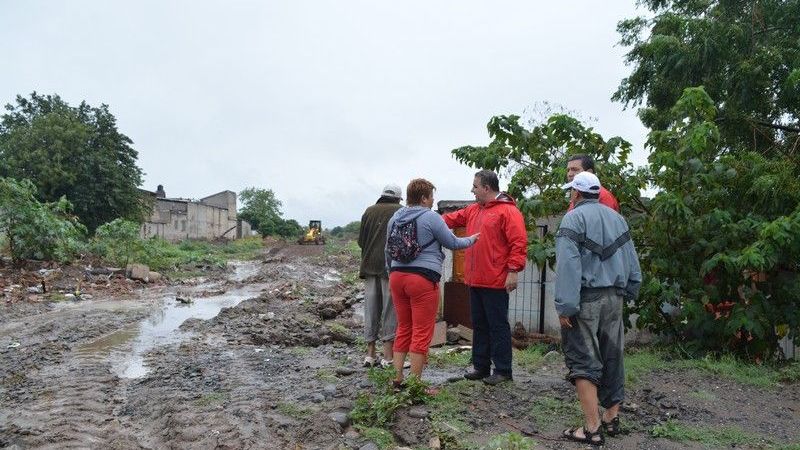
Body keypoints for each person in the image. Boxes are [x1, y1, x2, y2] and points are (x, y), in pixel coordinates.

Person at [554, 171, 641, 446]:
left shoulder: (573, 218)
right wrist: (631, 287)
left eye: (571, 191)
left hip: (586, 299)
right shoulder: (618, 218)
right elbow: (631, 258)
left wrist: (566, 306)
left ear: (576, 193)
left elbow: (569, 266)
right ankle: (611, 418)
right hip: (615, 297)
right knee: (613, 354)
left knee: (583, 359)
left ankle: (591, 429)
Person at [386, 178, 478, 389]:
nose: (432, 201)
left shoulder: (394, 219)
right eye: (431, 197)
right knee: (421, 330)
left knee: (404, 327)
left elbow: (387, 250)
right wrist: (472, 239)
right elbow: (453, 243)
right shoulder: (431, 217)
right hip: (422, 278)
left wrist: (391, 272)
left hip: (397, 276)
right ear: (424, 197)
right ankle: (415, 384)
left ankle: (397, 378)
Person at [443, 170, 527, 385]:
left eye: (475, 186)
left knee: (497, 325)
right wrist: (425, 219)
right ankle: (480, 366)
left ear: (486, 188)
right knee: (479, 324)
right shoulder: (473, 210)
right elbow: (450, 219)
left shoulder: (508, 212)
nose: (472, 190)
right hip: (475, 279)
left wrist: (513, 271)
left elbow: (518, 243)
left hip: (496, 280)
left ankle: (503, 370)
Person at [357, 184, 403, 368]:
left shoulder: (369, 211)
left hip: (369, 267)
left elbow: (361, 241)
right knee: (390, 312)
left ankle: (370, 354)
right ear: (399, 198)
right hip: (390, 268)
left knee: (371, 311)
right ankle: (388, 357)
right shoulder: (401, 211)